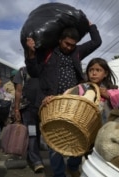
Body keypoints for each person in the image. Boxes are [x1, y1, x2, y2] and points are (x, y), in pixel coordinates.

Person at [25, 21, 102, 177]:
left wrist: (91, 25)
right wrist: (31, 53)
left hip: (73, 102)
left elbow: (96, 42)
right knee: (55, 142)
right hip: (51, 101)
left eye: (72, 45)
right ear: (60, 40)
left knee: (79, 137)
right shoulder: (47, 53)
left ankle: (73, 166)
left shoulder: (77, 52)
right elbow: (34, 72)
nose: (69, 47)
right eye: (67, 44)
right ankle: (59, 174)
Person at [13, 66, 44, 173]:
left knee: (38, 133)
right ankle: (36, 161)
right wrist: (16, 109)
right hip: (28, 109)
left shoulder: (46, 69)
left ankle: (33, 152)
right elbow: (18, 90)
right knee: (32, 133)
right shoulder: (23, 71)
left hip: (44, 109)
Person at [85, 57, 119, 123]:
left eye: (98, 70)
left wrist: (109, 96)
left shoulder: (113, 91)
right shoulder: (82, 89)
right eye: (91, 70)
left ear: (105, 74)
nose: (94, 73)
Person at [0, 74, 12, 153]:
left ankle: (6, 145)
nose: (1, 81)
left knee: (5, 128)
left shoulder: (1, 90)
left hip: (3, 112)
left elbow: (7, 97)